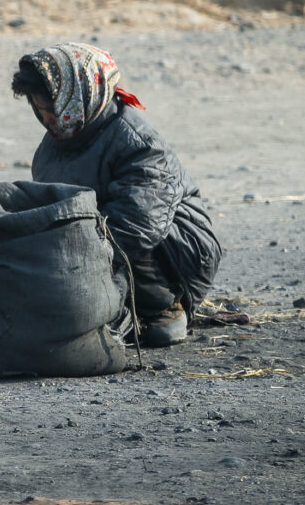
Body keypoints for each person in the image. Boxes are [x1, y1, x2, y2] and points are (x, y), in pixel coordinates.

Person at [11, 42, 222, 348]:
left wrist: (68, 256)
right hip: (95, 247)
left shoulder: (138, 143)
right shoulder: (54, 147)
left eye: (52, 110)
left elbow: (140, 226)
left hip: (176, 255)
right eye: (40, 111)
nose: (48, 121)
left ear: (76, 96)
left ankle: (165, 308)